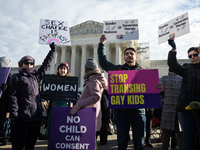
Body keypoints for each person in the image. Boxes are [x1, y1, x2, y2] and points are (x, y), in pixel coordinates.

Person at [97, 35, 163, 150]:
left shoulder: (144, 73)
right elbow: (103, 63)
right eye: (127, 54)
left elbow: (153, 89)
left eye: (131, 54)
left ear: (136, 57)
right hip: (122, 113)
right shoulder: (118, 69)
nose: (129, 55)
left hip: (139, 113)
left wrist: (160, 89)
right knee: (122, 143)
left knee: (139, 143)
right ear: (124, 58)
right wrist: (101, 45)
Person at [9, 43, 55, 150]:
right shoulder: (16, 77)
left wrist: (52, 51)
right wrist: (14, 117)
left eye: (31, 63)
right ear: (21, 64)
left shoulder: (36, 77)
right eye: (26, 62)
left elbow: (46, 65)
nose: (29, 64)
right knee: (18, 146)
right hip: (21, 118)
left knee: (30, 146)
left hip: (35, 117)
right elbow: (13, 98)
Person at [168, 38, 200, 150]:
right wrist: (173, 49)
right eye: (190, 56)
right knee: (188, 136)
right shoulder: (186, 68)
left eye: (195, 54)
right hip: (186, 108)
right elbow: (172, 64)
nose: (193, 57)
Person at [70, 58, 107, 150]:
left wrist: (79, 104)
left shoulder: (93, 81)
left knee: (88, 143)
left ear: (87, 69)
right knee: (91, 143)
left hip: (89, 116)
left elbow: (96, 97)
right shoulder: (94, 79)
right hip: (91, 115)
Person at [46, 62, 71, 149]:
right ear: (58, 70)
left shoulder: (71, 82)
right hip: (54, 110)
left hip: (65, 110)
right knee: (52, 131)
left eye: (64, 68)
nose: (62, 70)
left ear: (67, 70)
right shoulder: (53, 80)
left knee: (63, 132)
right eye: (61, 68)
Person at [158, 68, 183, 150]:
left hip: (167, 111)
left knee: (166, 137)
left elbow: (160, 95)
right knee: (180, 136)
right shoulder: (182, 79)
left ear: (169, 71)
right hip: (179, 111)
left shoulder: (164, 79)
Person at [0, 57, 11, 145]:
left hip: (6, 103)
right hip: (2, 102)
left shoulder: (10, 77)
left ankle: (4, 137)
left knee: (5, 121)